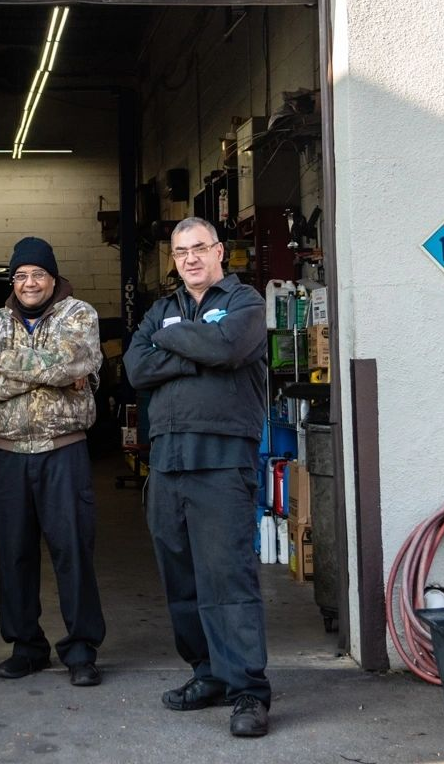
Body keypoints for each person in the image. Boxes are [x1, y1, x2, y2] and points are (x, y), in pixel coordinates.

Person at [123, 217, 272, 738]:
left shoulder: (245, 302)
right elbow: (136, 370)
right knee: (181, 577)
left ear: (220, 252)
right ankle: (206, 673)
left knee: (227, 577)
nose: (190, 258)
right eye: (181, 251)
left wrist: (175, 344)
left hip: (222, 460)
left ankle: (248, 691)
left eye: (200, 248)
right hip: (167, 462)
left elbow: (228, 349)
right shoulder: (159, 311)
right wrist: (194, 352)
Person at [0, 236, 107, 686]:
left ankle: (82, 649)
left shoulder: (79, 314)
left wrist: (0, 364)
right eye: (21, 275)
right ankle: (26, 646)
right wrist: (46, 376)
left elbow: (72, 365)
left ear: (53, 278)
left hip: (63, 450)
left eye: (38, 274)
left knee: (72, 550)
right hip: (8, 454)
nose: (29, 283)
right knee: (14, 553)